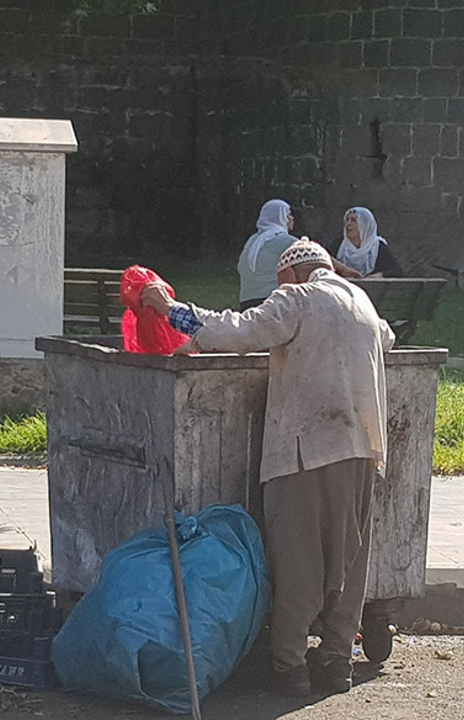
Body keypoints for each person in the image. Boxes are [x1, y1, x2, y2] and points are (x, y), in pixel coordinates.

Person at [142, 240, 395, 697]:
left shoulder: (297, 299)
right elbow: (387, 338)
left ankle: (290, 668)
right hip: (362, 447)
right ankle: (338, 663)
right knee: (347, 559)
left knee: (299, 558)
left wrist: (171, 310)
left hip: (304, 449)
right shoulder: (362, 302)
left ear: (293, 276)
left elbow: (241, 330)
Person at [237, 198, 300, 310]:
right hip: (273, 303)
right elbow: (315, 257)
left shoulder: (253, 241)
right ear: (280, 218)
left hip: (246, 304)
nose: (291, 218)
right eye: (288, 215)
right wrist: (342, 268)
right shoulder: (286, 241)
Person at [329, 206, 402, 279]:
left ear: (365, 224)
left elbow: (396, 271)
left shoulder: (378, 247)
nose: (348, 224)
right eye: (347, 220)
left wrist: (379, 275)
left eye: (353, 221)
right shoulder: (339, 244)